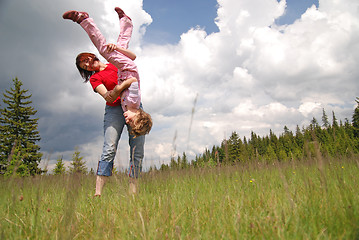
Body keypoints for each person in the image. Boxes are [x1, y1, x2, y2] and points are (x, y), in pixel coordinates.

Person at [62, 8, 151, 195]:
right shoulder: (95, 79)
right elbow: (109, 96)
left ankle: (133, 194)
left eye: (85, 60)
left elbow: (132, 56)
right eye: (83, 66)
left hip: (133, 108)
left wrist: (117, 49)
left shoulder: (113, 62)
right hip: (114, 110)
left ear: (90, 56)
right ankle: (98, 193)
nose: (87, 64)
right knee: (109, 148)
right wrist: (123, 85)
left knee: (138, 149)